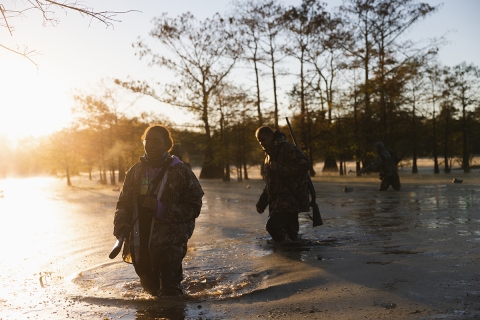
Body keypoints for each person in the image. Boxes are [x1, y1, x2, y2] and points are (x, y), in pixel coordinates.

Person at [113, 124, 204, 297]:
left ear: (167, 145)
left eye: (157, 141)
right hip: (140, 242)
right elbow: (123, 202)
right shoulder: (134, 172)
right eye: (148, 141)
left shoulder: (181, 171)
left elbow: (194, 206)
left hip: (171, 242)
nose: (151, 145)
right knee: (151, 290)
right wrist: (120, 222)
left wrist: (162, 209)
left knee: (170, 293)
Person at [255, 126, 310, 243]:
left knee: (273, 226)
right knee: (292, 236)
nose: (261, 143)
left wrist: (280, 168)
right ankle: (293, 254)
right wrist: (263, 201)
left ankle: (287, 248)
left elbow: (305, 164)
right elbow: (270, 182)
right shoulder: (269, 155)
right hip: (279, 201)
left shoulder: (287, 148)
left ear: (271, 136)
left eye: (263, 139)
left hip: (291, 199)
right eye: (259, 141)